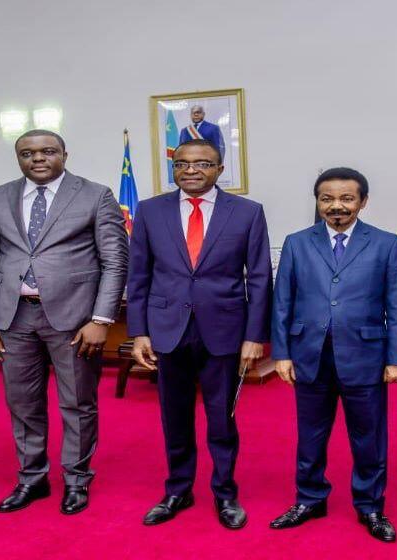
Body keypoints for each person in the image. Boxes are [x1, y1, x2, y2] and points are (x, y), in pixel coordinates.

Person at [0, 129, 128, 515]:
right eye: (27, 153)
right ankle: (31, 479)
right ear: (18, 157)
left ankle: (76, 479)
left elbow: (115, 261)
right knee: (22, 403)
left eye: (47, 151)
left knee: (77, 403)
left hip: (74, 319)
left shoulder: (96, 195)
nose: (37, 159)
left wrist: (101, 319)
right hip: (13, 317)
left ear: (64, 153)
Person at [127, 138, 271, 529]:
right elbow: (138, 275)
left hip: (224, 331)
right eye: (183, 164)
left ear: (220, 169)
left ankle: (225, 493)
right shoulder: (150, 210)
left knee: (221, 419)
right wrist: (139, 332)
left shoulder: (246, 212)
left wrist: (254, 336)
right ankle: (178, 489)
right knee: (173, 417)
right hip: (166, 330)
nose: (191, 170)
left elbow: (259, 279)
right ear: (174, 168)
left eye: (202, 163)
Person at [269, 167, 397, 543]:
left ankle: (370, 505)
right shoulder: (297, 243)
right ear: (317, 202)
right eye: (327, 199)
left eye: (347, 198)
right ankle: (310, 498)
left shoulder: (386, 244)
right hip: (308, 355)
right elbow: (282, 302)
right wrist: (281, 353)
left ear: (363, 201)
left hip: (366, 355)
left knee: (368, 437)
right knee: (310, 436)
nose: (336, 206)